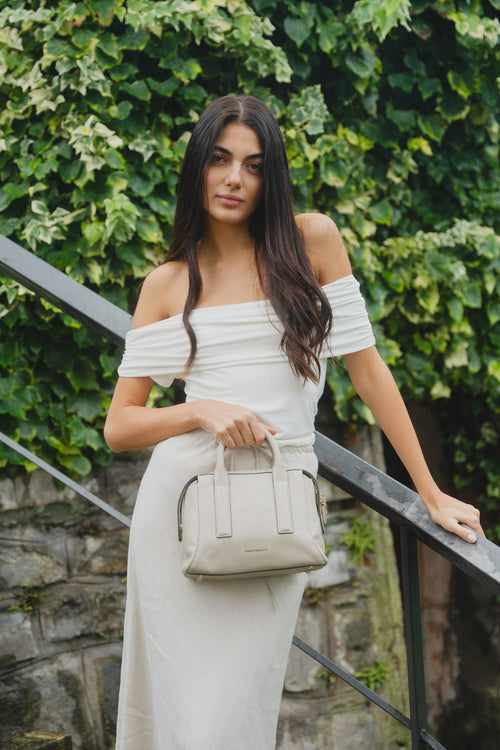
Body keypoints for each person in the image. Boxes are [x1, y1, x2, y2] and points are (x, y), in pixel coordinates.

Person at [104, 94, 483, 749]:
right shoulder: (169, 282)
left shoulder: (313, 242)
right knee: (173, 713)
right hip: (183, 514)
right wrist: (198, 407)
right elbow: (121, 426)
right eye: (219, 160)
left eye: (252, 166)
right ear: (197, 167)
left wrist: (429, 491)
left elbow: (368, 372)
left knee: (237, 714)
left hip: (275, 511)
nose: (233, 179)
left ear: (270, 176)